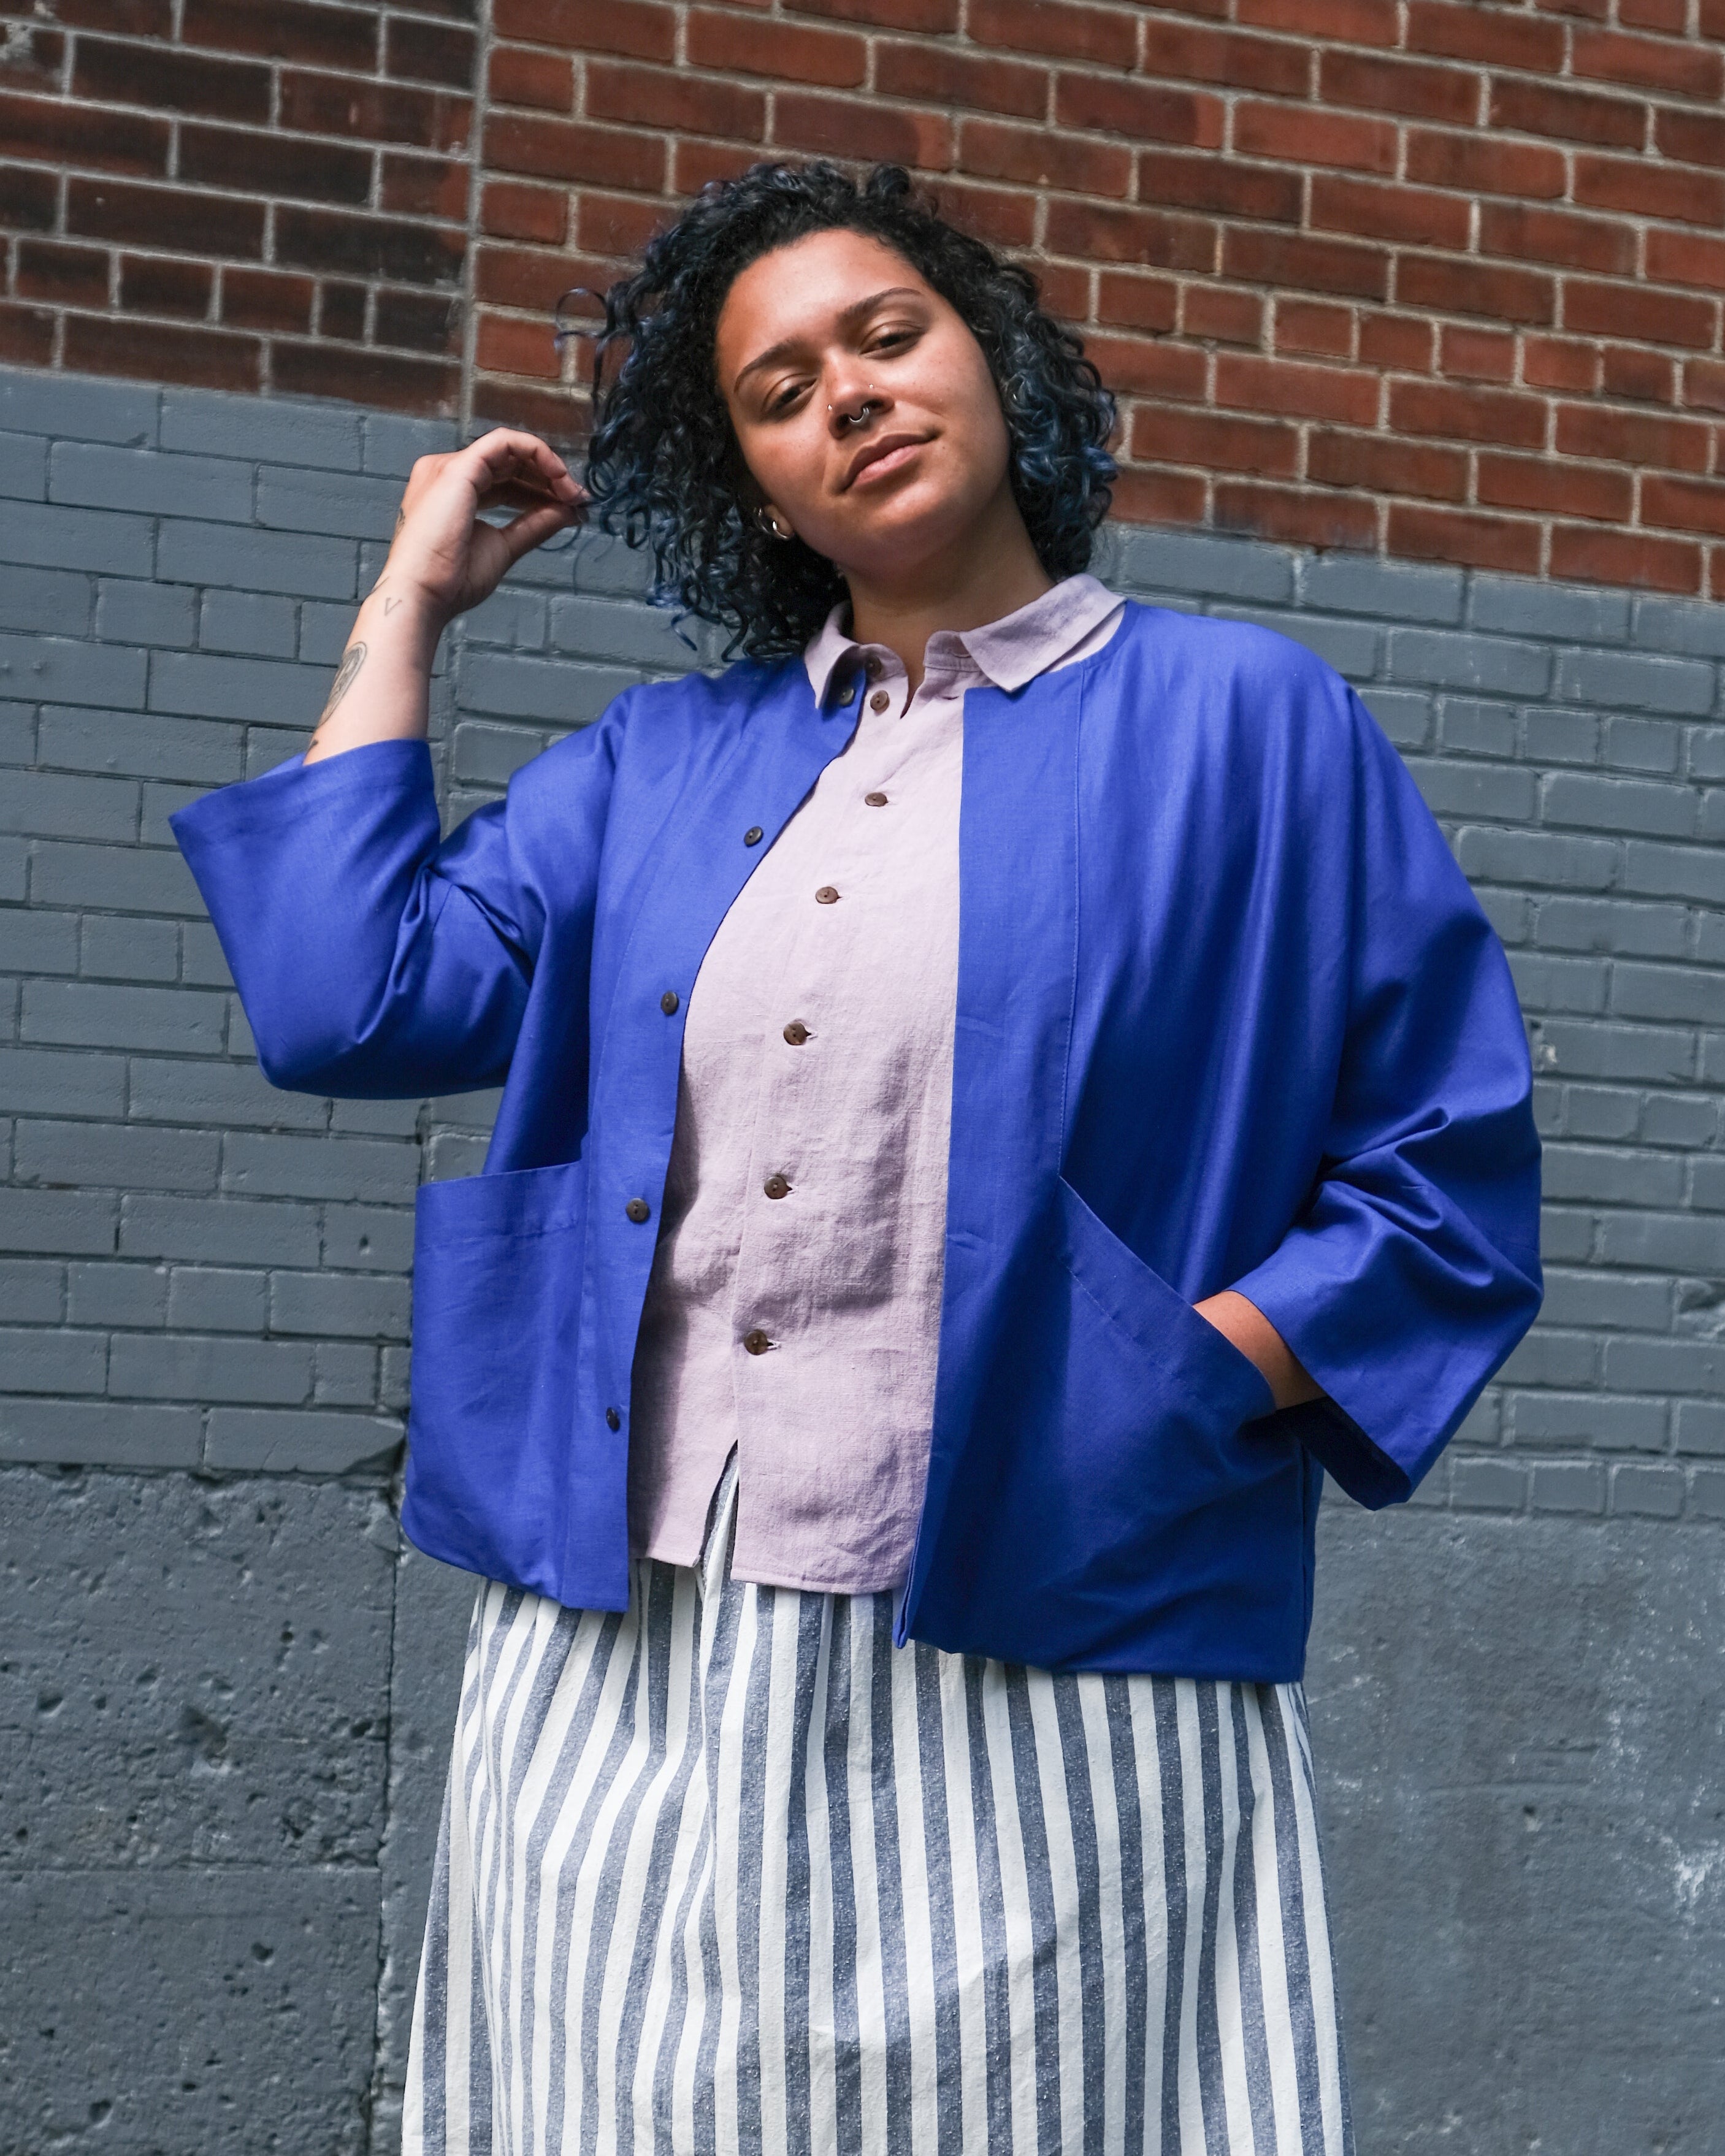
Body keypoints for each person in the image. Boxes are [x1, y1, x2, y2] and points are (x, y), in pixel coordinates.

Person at [172, 161, 1542, 2156]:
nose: (852, 396)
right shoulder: (660, 760)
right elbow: (341, 997)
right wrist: (410, 606)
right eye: (781, 389)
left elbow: (1445, 1170)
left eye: (889, 336)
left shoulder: (1253, 725)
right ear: (755, 486)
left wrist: (1177, 1383)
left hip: (1053, 1623)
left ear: (994, 362)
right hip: (630, 1650)